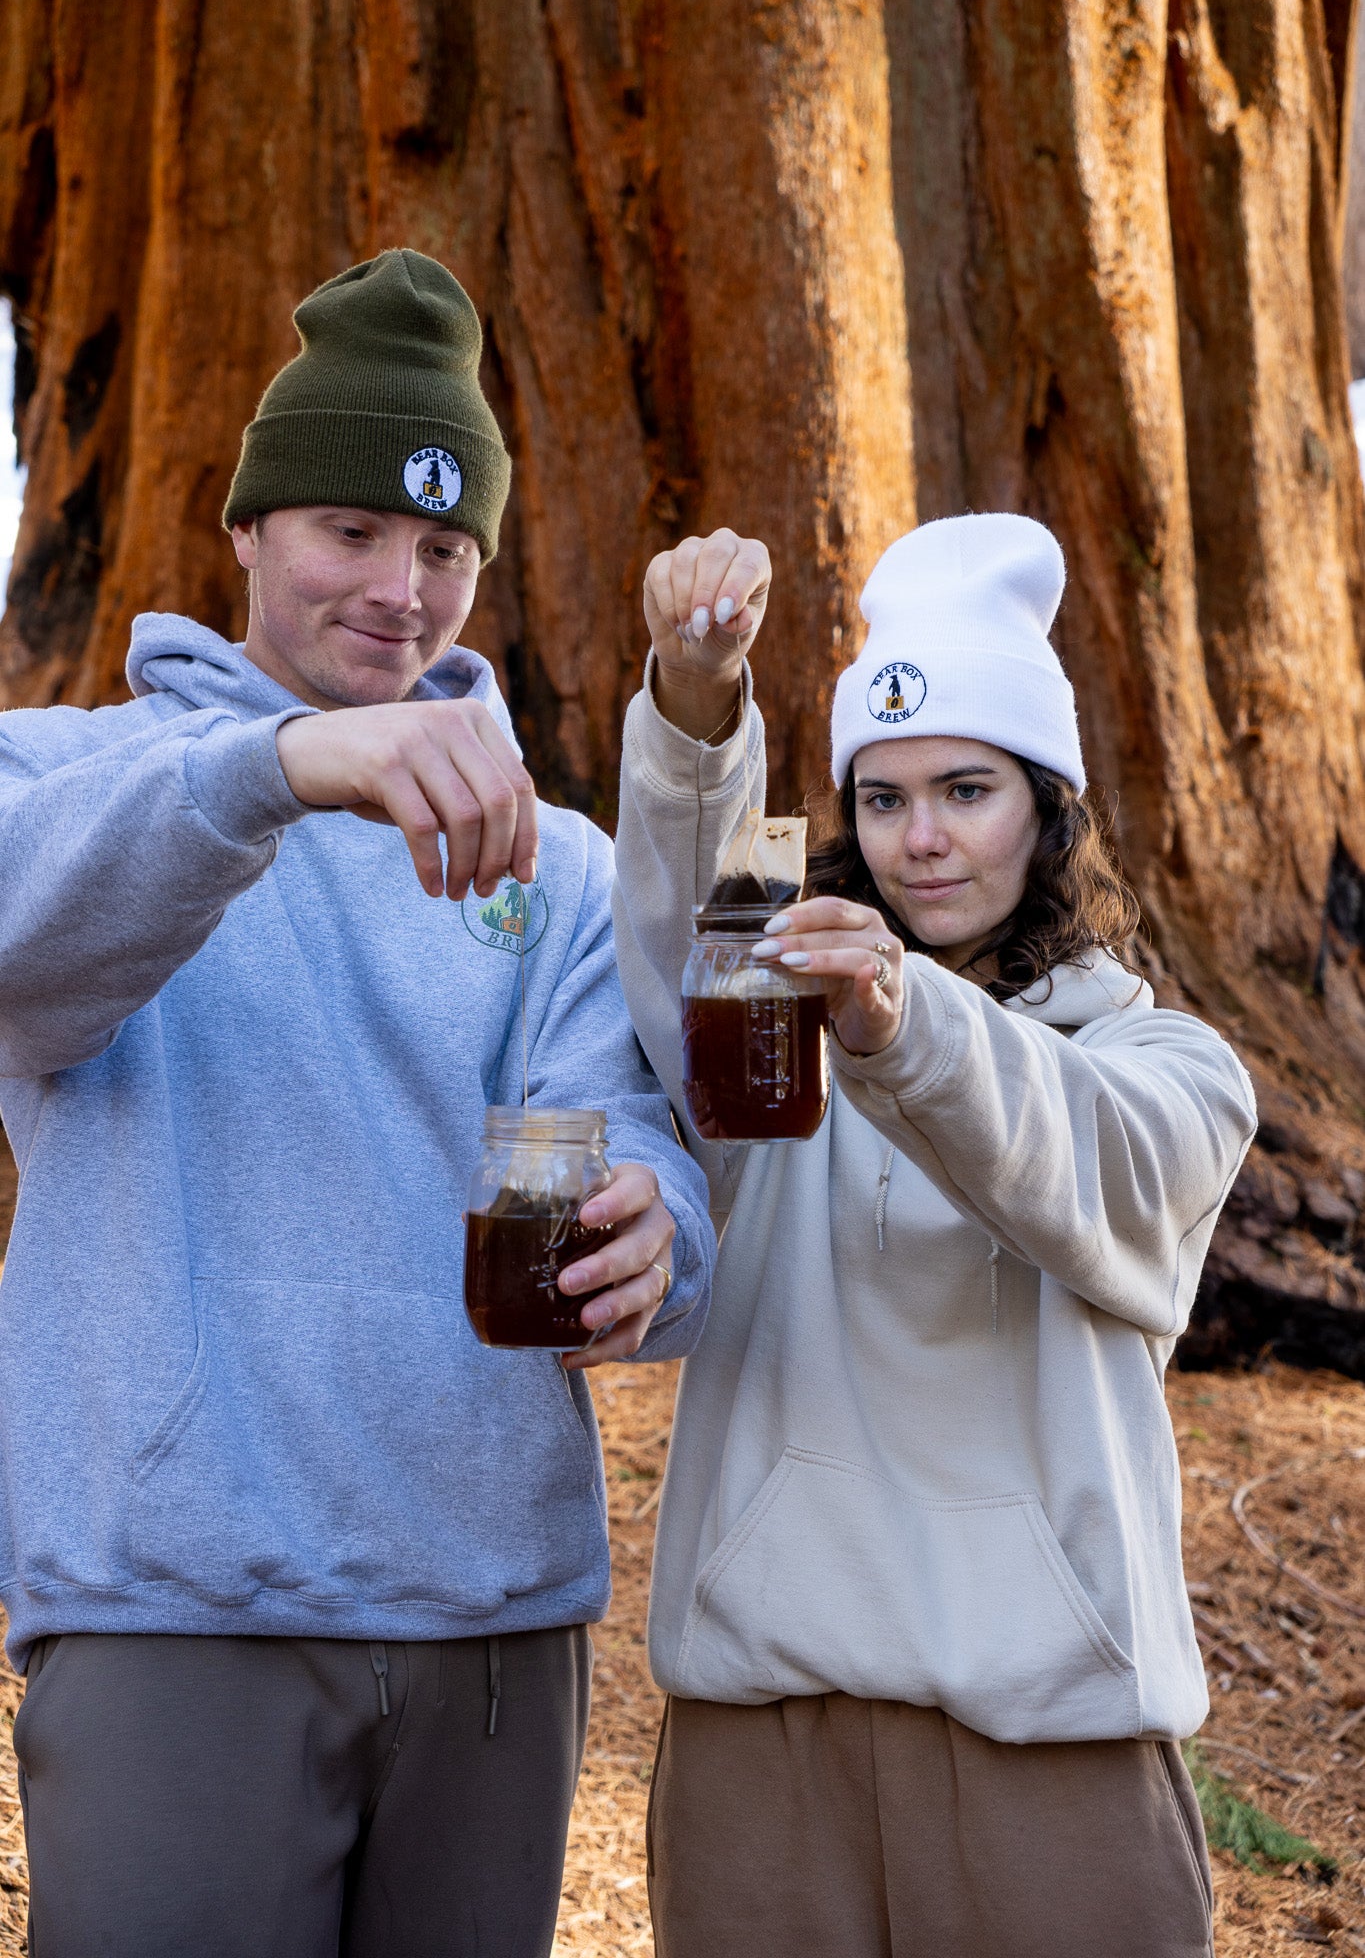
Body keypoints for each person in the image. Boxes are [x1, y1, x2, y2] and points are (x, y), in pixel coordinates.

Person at [0, 247, 714, 1958]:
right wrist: (278, 773)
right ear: (244, 530)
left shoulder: (558, 870)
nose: (402, 590)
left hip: (488, 1623)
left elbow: (630, 1129)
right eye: (350, 531)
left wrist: (650, 1231)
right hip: (174, 1607)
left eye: (446, 546)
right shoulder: (66, 776)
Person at [613, 513, 1256, 1958]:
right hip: (761, 1737)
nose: (921, 838)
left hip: (1054, 1744)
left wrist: (902, 1026)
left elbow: (1070, 1161)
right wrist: (693, 705)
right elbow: (670, 941)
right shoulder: (766, 1054)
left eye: (965, 789)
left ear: (1047, 806)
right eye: (885, 796)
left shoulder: (1172, 1069)